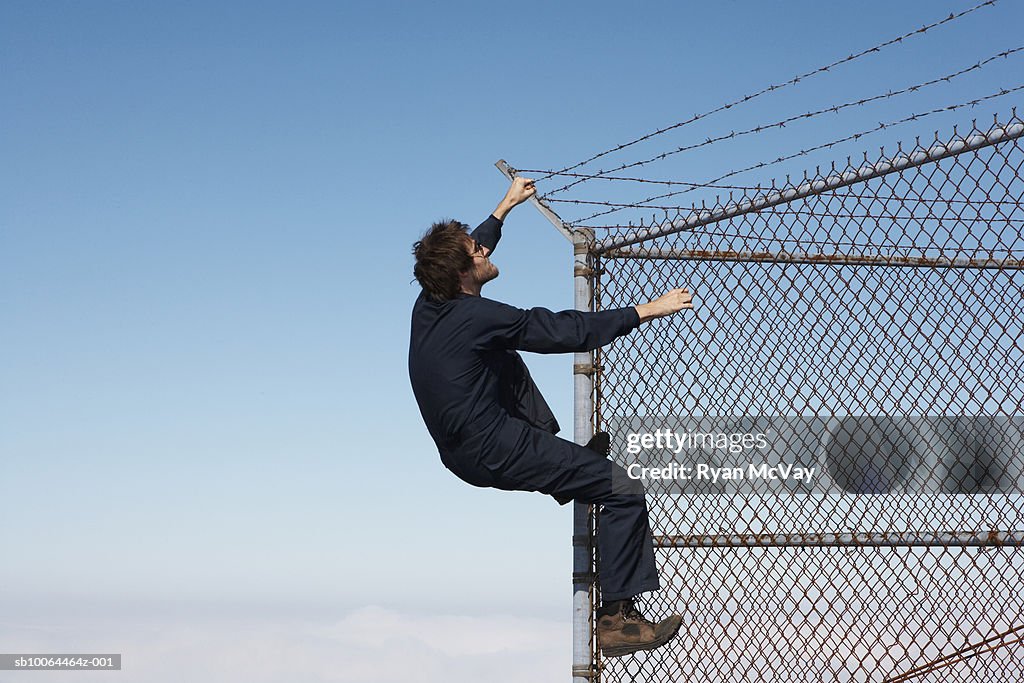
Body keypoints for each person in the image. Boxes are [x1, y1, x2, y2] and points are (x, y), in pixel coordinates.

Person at [408, 177, 694, 657]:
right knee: (623, 489)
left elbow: (468, 252)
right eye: (476, 248)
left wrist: (503, 209)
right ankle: (615, 620)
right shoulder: (478, 317)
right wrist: (644, 311)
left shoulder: (429, 305)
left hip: (461, 452)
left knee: (501, 358)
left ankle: (565, 471)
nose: (483, 248)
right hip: (496, 446)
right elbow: (562, 330)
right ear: (463, 268)